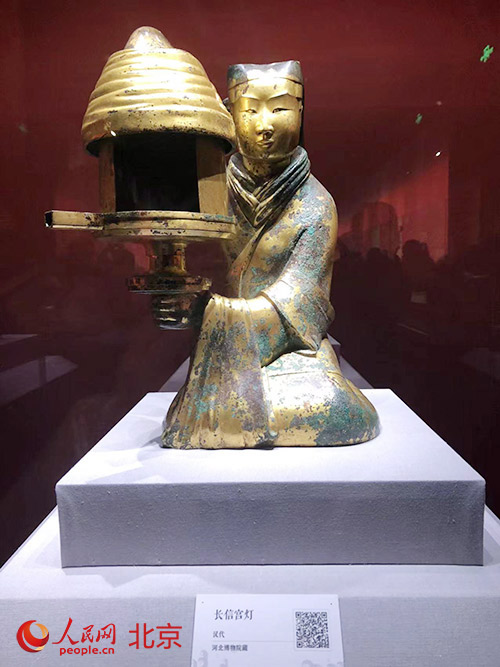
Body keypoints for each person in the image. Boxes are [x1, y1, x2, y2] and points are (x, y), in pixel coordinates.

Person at [163, 61, 379, 449]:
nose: (265, 125)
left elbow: (301, 303)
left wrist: (206, 312)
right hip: (225, 340)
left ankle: (220, 416)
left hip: (290, 345)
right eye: (250, 110)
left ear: (301, 111)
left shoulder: (315, 204)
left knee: (342, 412)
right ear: (229, 113)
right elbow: (187, 263)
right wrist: (177, 298)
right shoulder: (211, 195)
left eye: (279, 108)